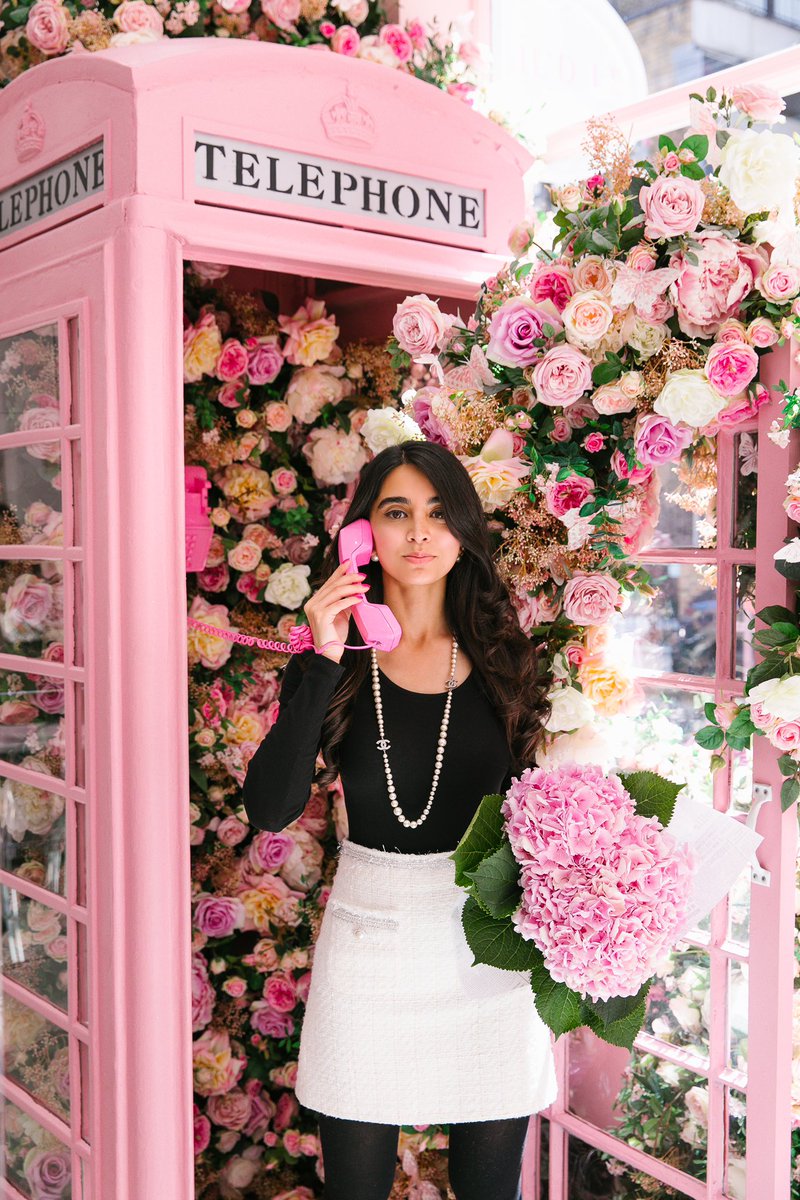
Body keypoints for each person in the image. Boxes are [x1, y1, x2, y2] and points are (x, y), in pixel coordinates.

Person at [242, 440, 558, 1200]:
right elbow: (271, 808)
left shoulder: (508, 659)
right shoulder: (337, 660)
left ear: (464, 533)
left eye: (439, 514)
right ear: (363, 535)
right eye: (396, 513)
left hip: (486, 951)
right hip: (369, 948)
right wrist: (320, 656)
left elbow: (544, 816)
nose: (419, 534)